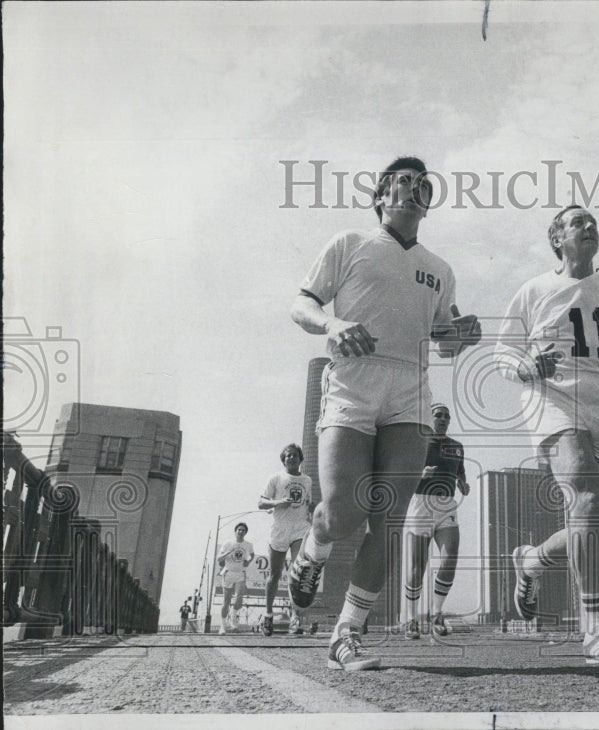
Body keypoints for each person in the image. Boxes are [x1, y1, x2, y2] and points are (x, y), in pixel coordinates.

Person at [289, 156, 481, 671]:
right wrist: (331, 326)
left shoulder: (441, 270)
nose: (415, 190)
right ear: (380, 195)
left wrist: (461, 336)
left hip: (409, 393)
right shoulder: (349, 244)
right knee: (341, 512)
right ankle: (311, 552)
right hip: (353, 383)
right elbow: (302, 304)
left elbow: (445, 339)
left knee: (389, 520)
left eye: (424, 186)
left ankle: (346, 634)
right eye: (404, 182)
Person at [494, 206, 599, 665]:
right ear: (556, 240)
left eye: (593, 223)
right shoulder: (535, 290)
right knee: (583, 493)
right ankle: (596, 631)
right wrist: (527, 366)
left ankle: (530, 562)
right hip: (553, 400)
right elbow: (504, 353)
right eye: (576, 223)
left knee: (594, 526)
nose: (588, 227)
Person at [400, 403, 469, 639]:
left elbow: (460, 472)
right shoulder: (417, 443)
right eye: (438, 415)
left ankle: (437, 614)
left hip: (447, 505)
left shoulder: (457, 447)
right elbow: (401, 475)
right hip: (421, 503)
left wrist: (463, 483)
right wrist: (419, 475)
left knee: (449, 559)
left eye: (446, 416)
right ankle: (410, 619)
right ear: (429, 418)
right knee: (418, 567)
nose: (443, 419)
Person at [258, 443, 314, 636]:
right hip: (280, 530)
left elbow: (308, 503)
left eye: (294, 455)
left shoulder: (307, 480)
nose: (291, 458)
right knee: (274, 575)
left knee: (298, 573)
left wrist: (315, 513)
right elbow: (261, 503)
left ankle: (295, 618)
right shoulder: (276, 478)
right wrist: (279, 502)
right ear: (284, 459)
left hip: (300, 529)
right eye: (288, 456)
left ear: (300, 459)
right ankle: (268, 614)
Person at [217, 523, 254, 634]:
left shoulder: (248, 544)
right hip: (228, 573)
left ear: (245, 532)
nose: (241, 531)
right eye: (239, 529)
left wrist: (248, 561)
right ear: (235, 531)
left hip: (240, 573)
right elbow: (219, 559)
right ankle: (223, 625)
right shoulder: (228, 543)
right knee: (226, 601)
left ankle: (233, 618)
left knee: (239, 598)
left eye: (243, 530)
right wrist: (227, 553)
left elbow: (252, 554)